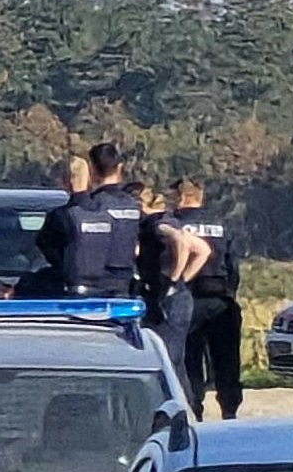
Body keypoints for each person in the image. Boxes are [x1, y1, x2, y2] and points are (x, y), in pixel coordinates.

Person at [173, 178, 245, 419]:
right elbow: (233, 266)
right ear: (200, 196)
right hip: (220, 299)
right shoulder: (221, 224)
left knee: (190, 359)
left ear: (180, 197)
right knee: (226, 361)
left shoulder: (175, 224)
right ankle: (230, 411)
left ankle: (195, 412)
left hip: (188, 299)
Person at [137, 185, 211, 394]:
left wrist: (173, 278)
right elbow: (203, 250)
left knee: (166, 359)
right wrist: (182, 281)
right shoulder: (171, 220)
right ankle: (187, 408)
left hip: (167, 301)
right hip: (179, 297)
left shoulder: (156, 224)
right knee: (176, 362)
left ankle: (178, 408)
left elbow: (179, 241)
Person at [62, 141, 146, 300]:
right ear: (120, 167)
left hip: (93, 283)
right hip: (125, 281)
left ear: (92, 171)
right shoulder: (134, 206)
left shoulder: (90, 206)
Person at [24, 155, 92, 298]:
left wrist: (62, 266)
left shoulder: (60, 217)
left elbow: (44, 243)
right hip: (110, 288)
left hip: (65, 288)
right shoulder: (103, 211)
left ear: (63, 181)